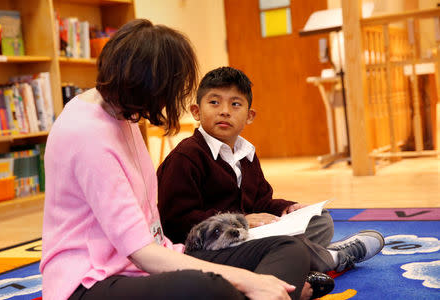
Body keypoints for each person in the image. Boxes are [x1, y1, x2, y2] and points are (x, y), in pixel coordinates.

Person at [40, 19, 318, 300]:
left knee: (287, 248)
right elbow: (142, 253)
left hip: (151, 261)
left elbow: (153, 237)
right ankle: (276, 292)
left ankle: (270, 292)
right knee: (207, 287)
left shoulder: (122, 115)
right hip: (92, 282)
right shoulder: (88, 135)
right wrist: (247, 280)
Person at [157, 66, 385, 275]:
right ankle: (332, 258)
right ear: (196, 111)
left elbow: (261, 203)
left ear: (249, 116)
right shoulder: (186, 156)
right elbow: (177, 222)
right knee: (286, 245)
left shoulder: (246, 153)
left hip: (248, 236)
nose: (225, 111)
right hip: (205, 250)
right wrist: (242, 222)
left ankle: (302, 257)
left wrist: (287, 208)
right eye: (214, 103)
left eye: (235, 104)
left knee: (320, 220)